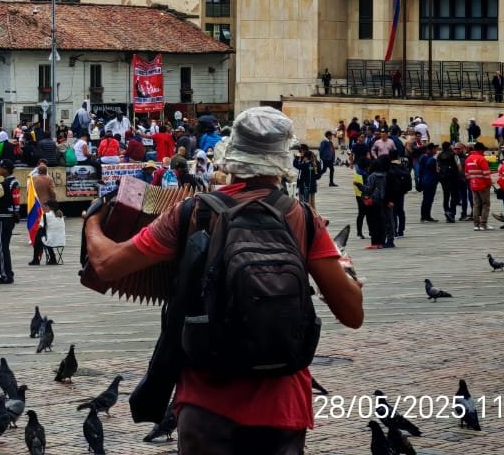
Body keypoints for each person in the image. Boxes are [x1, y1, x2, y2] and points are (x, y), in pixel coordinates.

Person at [83, 106, 363, 454]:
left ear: (230, 157)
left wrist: (92, 222)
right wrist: (346, 269)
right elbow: (353, 314)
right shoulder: (303, 218)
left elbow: (107, 265)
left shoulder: (192, 213)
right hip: (282, 405)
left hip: (208, 404)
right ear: (281, 161)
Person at [0, 158, 19, 284]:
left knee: (0, 247)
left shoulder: (3, 186)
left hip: (2, 217)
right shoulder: (15, 182)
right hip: (11, 217)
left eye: (0, 167)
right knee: (5, 247)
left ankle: (5, 275)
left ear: (5, 169)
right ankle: (8, 272)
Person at [27, 161, 58, 266]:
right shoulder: (49, 179)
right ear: (46, 171)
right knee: (45, 234)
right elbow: (53, 192)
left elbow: (29, 193)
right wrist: (53, 200)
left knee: (39, 234)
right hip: (46, 209)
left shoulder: (33, 179)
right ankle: (51, 257)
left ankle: (37, 258)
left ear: (38, 171)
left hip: (36, 209)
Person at [464, 141, 493, 231]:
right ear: (480, 150)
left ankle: (476, 225)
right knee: (485, 204)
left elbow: (466, 174)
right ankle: (483, 224)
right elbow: (486, 174)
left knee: (476, 204)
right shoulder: (481, 159)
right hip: (483, 185)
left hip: (473, 185)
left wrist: (473, 181)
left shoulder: (468, 159)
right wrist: (489, 183)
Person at [416, 144, 439, 222]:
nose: (436, 150)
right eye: (435, 149)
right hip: (429, 181)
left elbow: (420, 170)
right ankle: (425, 216)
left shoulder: (424, 157)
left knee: (428, 199)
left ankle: (426, 215)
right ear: (431, 149)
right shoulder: (429, 158)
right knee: (427, 199)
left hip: (427, 180)